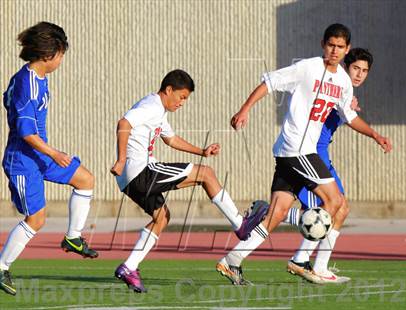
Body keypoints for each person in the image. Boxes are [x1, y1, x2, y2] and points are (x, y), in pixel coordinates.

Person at [216, 24, 391, 285]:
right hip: (298, 149)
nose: (335, 50)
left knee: (276, 214)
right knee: (335, 201)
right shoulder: (307, 68)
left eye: (340, 46)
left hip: (291, 153)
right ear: (323, 44)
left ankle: (232, 261)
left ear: (347, 49)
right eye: (331, 44)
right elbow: (270, 82)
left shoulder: (343, 82)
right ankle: (301, 260)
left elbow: (350, 117)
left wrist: (375, 135)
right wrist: (245, 109)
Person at [110, 69, 268, 293]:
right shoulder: (152, 106)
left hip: (128, 180)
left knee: (162, 217)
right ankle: (241, 226)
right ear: (168, 90)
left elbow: (171, 139)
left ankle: (129, 267)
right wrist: (121, 158)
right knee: (206, 174)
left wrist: (201, 151)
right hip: (141, 171)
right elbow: (123, 123)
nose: (183, 103)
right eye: (182, 97)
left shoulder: (159, 111)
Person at [0, 22, 98, 296]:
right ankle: (2, 266)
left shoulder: (37, 79)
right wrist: (55, 153)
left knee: (86, 179)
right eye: (62, 53)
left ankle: (73, 237)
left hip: (40, 154)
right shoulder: (27, 83)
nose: (62, 59)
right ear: (49, 54)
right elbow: (26, 131)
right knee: (37, 219)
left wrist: (51, 153)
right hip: (24, 159)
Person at [286, 48, 376, 284]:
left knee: (340, 209)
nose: (359, 74)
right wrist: (375, 135)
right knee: (330, 208)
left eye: (364, 71)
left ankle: (321, 267)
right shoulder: (336, 86)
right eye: (355, 68)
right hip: (310, 153)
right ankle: (296, 252)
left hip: (322, 153)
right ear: (346, 66)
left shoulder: (345, 91)